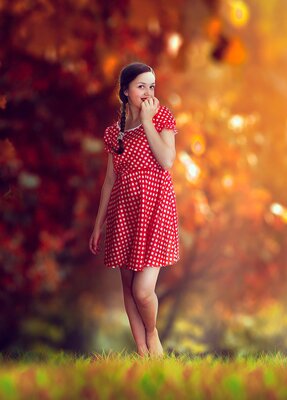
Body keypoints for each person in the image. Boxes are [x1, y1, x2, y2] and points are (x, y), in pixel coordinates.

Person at [89, 62, 180, 358]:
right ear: (126, 91)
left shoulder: (162, 117)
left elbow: (166, 160)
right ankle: (142, 352)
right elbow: (109, 181)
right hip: (124, 212)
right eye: (141, 86)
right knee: (128, 286)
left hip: (155, 210)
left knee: (143, 290)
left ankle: (152, 333)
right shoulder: (114, 133)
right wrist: (98, 225)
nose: (148, 92)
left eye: (152, 86)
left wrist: (149, 121)